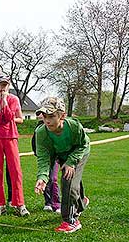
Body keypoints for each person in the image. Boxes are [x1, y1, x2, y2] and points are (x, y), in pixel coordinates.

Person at [34, 97, 90, 233]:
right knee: (72, 180)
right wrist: (42, 178)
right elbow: (43, 158)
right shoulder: (41, 133)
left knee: (68, 180)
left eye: (52, 116)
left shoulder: (74, 126)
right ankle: (81, 201)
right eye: (44, 116)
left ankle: (71, 220)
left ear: (62, 116)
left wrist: (71, 162)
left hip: (79, 152)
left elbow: (83, 145)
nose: (47, 121)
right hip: (60, 154)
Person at [0, 74, 29, 216]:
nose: (2, 88)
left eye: (4, 85)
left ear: (8, 86)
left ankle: (19, 203)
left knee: (15, 170)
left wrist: (4, 101)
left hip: (11, 136)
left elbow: (10, 117)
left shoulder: (14, 99)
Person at [31, 116, 61, 213]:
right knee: (45, 178)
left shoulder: (55, 127)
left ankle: (57, 204)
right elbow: (35, 142)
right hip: (45, 156)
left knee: (53, 178)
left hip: (56, 155)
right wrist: (37, 153)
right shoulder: (39, 129)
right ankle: (48, 202)